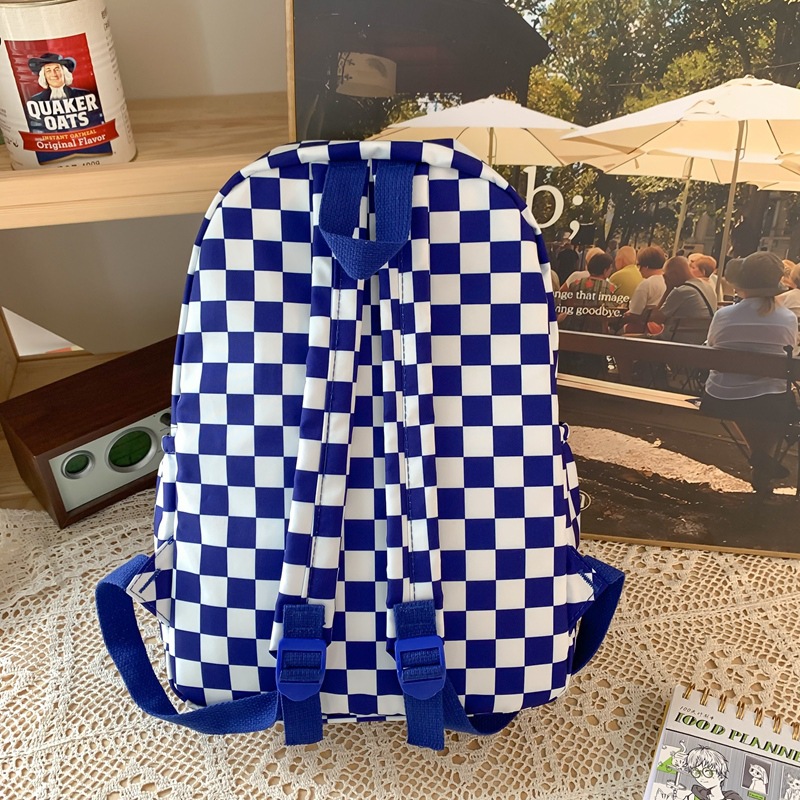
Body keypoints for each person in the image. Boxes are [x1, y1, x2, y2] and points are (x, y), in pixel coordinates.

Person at [700, 252, 797, 493]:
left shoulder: (724, 315)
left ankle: (759, 458)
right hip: (769, 402)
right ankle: (761, 458)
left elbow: (711, 347)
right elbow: (791, 354)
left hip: (720, 397)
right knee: (772, 398)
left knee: (753, 398)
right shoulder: (787, 318)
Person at [650, 256, 716, 344]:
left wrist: (668, 289)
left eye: (666, 275)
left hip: (673, 342)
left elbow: (655, 319)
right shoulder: (708, 287)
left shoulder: (681, 291)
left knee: (632, 340)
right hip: (700, 342)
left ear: (674, 274)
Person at [623, 245, 667, 333]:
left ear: (646, 267)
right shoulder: (669, 281)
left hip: (644, 329)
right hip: (663, 328)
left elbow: (634, 314)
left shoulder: (646, 285)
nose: (639, 270)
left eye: (639, 265)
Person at [672, 745, 743, 800]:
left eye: (707, 772)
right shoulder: (692, 797)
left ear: (721, 777)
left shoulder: (732, 798)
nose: (702, 777)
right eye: (696, 772)